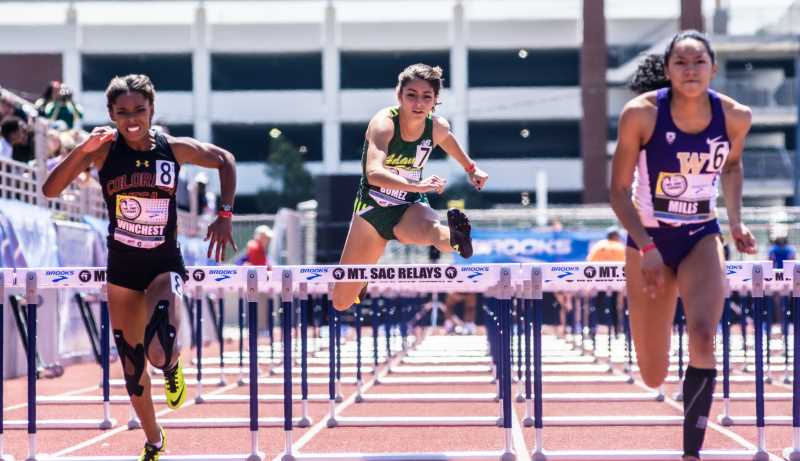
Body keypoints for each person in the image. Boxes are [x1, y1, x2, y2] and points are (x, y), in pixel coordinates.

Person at [43, 74, 238, 461]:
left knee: (161, 346)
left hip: (163, 263)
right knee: (133, 367)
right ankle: (154, 441)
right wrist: (82, 150)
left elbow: (225, 160)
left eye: (139, 110)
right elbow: (51, 189)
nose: (131, 119)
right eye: (122, 112)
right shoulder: (103, 152)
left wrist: (225, 215)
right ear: (111, 114)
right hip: (123, 269)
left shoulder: (172, 148)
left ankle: (171, 365)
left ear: (152, 109)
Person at [609, 31, 757, 461]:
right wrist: (645, 247)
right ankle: (661, 370)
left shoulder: (735, 117)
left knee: (704, 336)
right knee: (653, 372)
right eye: (681, 62)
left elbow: (731, 166)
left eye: (698, 62)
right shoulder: (641, 115)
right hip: (648, 241)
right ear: (669, 70)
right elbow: (618, 191)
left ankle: (691, 453)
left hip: (700, 235)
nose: (690, 70)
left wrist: (735, 221)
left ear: (713, 67)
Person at [331, 63, 488, 310]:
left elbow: (448, 142)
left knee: (432, 232)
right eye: (411, 95)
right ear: (399, 95)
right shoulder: (384, 123)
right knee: (341, 301)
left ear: (435, 100)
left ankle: (457, 237)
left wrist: (471, 169)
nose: (418, 103)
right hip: (372, 210)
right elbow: (373, 173)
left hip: (409, 206)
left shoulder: (437, 127)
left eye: (427, 97)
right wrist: (417, 186)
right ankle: (360, 281)